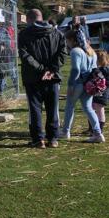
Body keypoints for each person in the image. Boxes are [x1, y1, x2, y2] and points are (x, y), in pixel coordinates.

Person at [18, 9, 66, 148]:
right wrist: (51, 70)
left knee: (35, 109)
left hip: (32, 78)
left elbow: (25, 55)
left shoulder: (25, 34)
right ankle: (53, 138)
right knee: (52, 109)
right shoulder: (57, 33)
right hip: (52, 77)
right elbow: (63, 53)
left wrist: (42, 70)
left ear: (28, 20)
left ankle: (38, 139)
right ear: (41, 17)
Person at [60, 27, 103, 143]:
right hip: (89, 85)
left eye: (67, 41)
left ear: (73, 40)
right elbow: (94, 69)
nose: (67, 44)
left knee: (70, 107)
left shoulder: (75, 51)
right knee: (89, 109)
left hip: (77, 84)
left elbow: (75, 70)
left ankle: (65, 132)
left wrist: (70, 85)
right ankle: (98, 133)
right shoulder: (91, 51)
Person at [90, 50, 108, 135]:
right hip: (95, 93)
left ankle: (99, 129)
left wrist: (102, 86)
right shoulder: (97, 69)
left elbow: (106, 81)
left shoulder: (104, 70)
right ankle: (92, 128)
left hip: (101, 93)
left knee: (100, 110)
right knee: (92, 108)